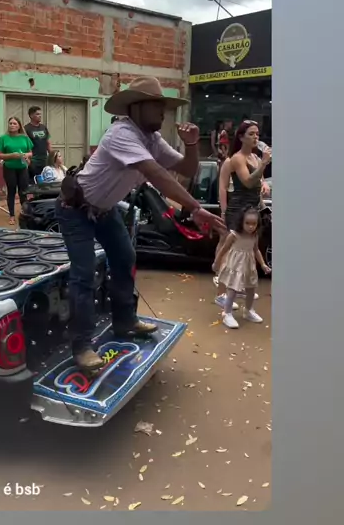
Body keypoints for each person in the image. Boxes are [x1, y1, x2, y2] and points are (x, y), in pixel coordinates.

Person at [55, 76, 225, 371]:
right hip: (75, 210)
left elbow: (187, 168)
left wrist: (192, 144)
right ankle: (81, 345)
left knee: (125, 257)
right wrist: (195, 208)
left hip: (104, 210)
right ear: (136, 107)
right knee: (83, 274)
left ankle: (125, 321)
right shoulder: (121, 134)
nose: (163, 112)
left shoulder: (152, 139)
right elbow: (157, 173)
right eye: (156, 106)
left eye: (164, 107)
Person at [213, 120, 271, 310]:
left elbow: (258, 179)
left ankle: (238, 287)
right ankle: (221, 293)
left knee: (247, 249)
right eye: (251, 134)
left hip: (252, 209)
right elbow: (247, 181)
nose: (256, 137)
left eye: (257, 134)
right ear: (241, 137)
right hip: (238, 209)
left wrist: (264, 184)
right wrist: (264, 163)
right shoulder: (237, 158)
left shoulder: (255, 157)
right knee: (232, 250)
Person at [212, 207, 271, 329]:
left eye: (254, 224)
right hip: (235, 266)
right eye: (247, 223)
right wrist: (216, 262)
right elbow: (224, 249)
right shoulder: (234, 235)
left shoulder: (254, 236)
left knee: (251, 289)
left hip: (249, 266)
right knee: (232, 290)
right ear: (241, 222)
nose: (250, 226)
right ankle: (227, 313)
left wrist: (263, 264)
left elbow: (256, 250)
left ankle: (248, 310)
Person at [0, 117, 33, 224]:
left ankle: (24, 213)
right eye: (10, 123)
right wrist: (11, 155)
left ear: (19, 126)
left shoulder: (25, 138)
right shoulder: (3, 138)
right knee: (11, 191)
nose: (12, 125)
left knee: (23, 192)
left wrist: (26, 155)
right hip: (9, 168)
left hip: (22, 168)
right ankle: (12, 215)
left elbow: (31, 152)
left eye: (14, 123)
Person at [24, 106, 51, 180]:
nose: (40, 116)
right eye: (37, 114)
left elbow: (48, 143)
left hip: (44, 160)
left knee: (45, 181)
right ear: (31, 116)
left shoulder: (43, 127)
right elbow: (24, 146)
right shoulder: (26, 129)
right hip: (33, 161)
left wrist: (52, 157)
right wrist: (28, 161)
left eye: (40, 114)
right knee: (34, 181)